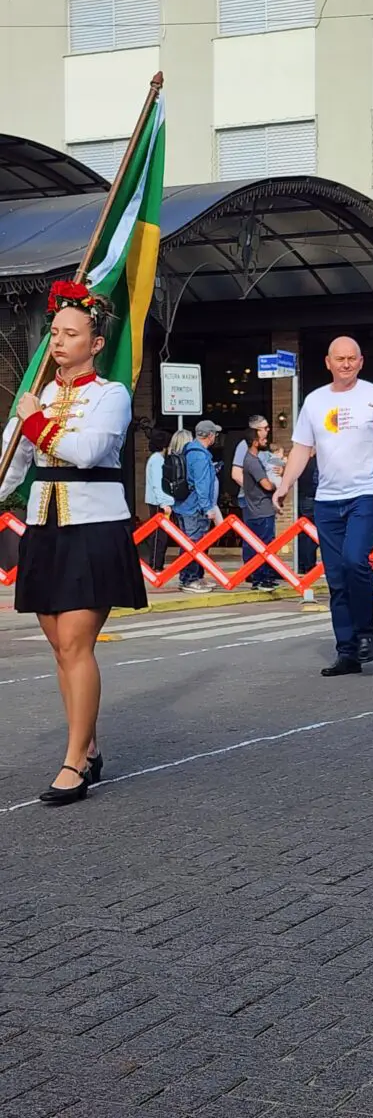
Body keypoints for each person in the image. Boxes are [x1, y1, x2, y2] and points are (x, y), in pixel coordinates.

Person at [0, 281, 146, 806]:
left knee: (78, 645)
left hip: (94, 526)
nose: (58, 342)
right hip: (44, 526)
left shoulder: (111, 395)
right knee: (61, 651)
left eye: (70, 333)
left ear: (96, 343)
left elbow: (88, 451)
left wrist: (33, 418)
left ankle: (72, 761)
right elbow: (14, 462)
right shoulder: (34, 399)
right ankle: (87, 745)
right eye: (54, 333)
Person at [274, 336, 373, 676]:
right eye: (340, 358)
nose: (346, 364)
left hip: (365, 494)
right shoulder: (314, 401)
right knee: (336, 577)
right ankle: (347, 652)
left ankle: (366, 635)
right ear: (328, 362)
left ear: (361, 361)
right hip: (327, 500)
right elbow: (300, 449)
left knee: (356, 561)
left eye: (352, 358)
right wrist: (284, 484)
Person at [173, 419, 222, 594]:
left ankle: (195, 577)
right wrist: (207, 507)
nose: (215, 436)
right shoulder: (200, 455)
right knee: (194, 544)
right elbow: (202, 484)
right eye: (214, 433)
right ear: (210, 435)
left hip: (185, 505)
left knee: (191, 543)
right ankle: (189, 579)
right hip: (194, 507)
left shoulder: (190, 451)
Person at [240, 424, 279, 592]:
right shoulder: (253, 462)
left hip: (256, 509)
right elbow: (266, 484)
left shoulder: (250, 460)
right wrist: (276, 485)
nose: (265, 440)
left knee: (260, 544)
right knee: (264, 545)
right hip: (261, 509)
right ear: (255, 442)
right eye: (262, 438)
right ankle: (262, 578)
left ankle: (263, 578)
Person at [232, 414, 270, 571]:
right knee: (253, 537)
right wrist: (253, 490)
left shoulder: (262, 447)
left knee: (264, 537)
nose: (268, 431)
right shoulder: (244, 446)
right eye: (265, 428)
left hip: (261, 499)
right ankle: (252, 571)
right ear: (255, 430)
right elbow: (235, 473)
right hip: (251, 499)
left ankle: (264, 570)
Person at [143, 427, 173, 573]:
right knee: (158, 536)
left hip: (156, 501)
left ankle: (157, 564)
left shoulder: (155, 459)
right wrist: (164, 503)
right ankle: (155, 565)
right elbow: (158, 483)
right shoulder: (157, 461)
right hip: (157, 503)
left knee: (160, 535)